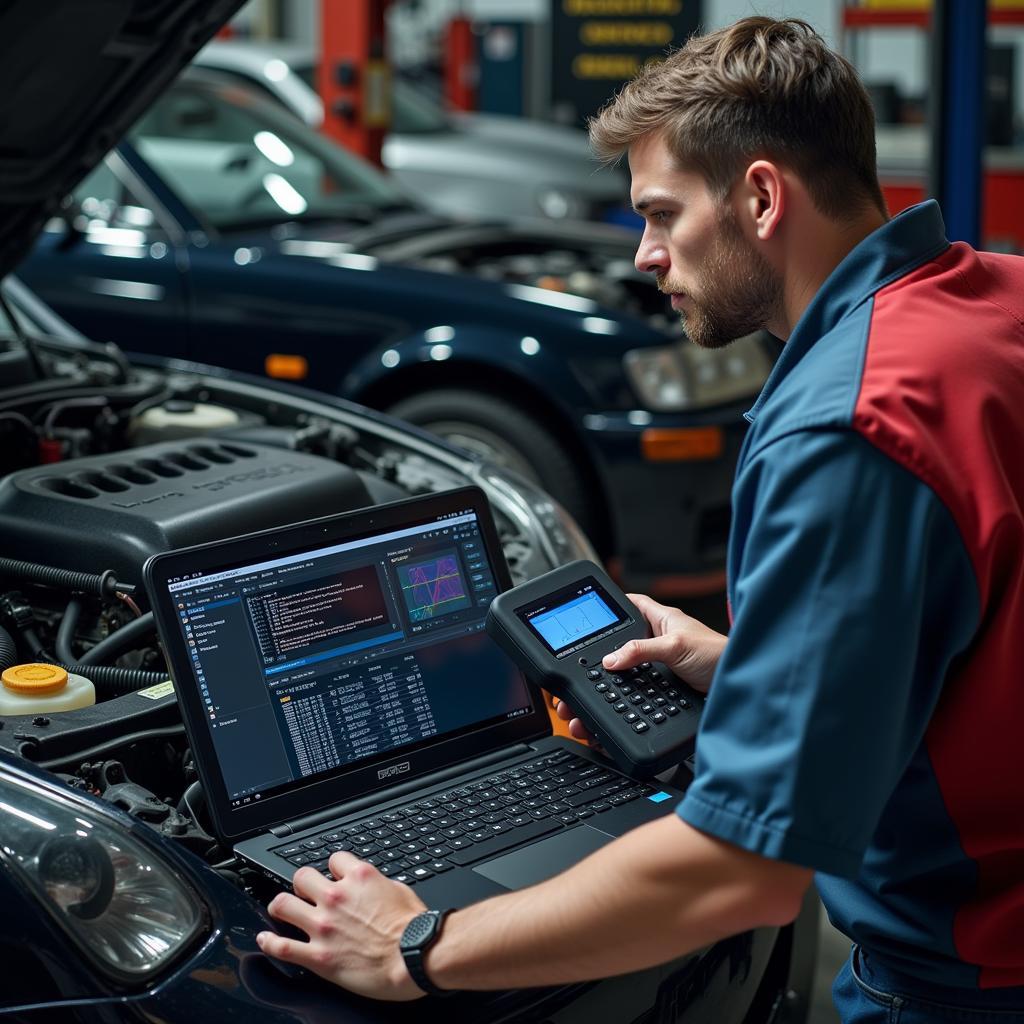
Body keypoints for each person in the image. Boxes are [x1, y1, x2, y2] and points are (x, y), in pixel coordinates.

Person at [256, 17, 1024, 1021]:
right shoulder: (991, 301)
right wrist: (753, 664)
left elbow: (741, 874)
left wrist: (416, 940)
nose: (648, 255)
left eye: (662, 215)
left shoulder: (845, 426)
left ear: (758, 196)